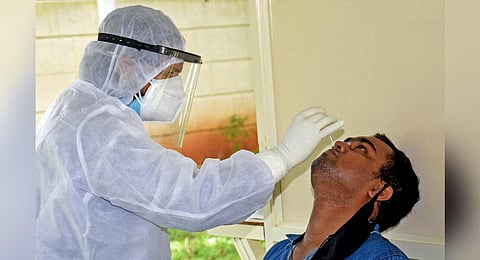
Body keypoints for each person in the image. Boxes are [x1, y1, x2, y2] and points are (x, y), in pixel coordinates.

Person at [35, 5, 344, 259]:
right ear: (128, 67)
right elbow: (190, 198)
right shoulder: (100, 129)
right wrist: (282, 157)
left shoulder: (74, 108)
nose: (175, 89)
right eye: (168, 74)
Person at [264, 133, 420, 260]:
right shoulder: (277, 252)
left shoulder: (382, 258)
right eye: (348, 142)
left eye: (362, 148)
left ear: (380, 190)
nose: (339, 144)